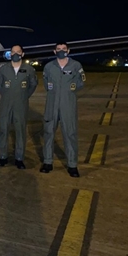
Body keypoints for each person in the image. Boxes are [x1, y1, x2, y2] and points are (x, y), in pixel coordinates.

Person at [40, 42, 85, 178]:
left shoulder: (76, 66)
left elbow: (81, 82)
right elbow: (46, 83)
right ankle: (48, 162)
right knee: (48, 133)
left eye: (63, 49)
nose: (61, 51)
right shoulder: (49, 67)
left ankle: (72, 165)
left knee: (70, 133)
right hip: (51, 104)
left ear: (68, 51)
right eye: (58, 49)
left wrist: (68, 91)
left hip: (68, 105)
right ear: (54, 52)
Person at [0, 45, 38, 169]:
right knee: (3, 130)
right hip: (6, 103)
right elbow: (0, 86)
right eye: (13, 52)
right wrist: (8, 96)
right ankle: (2, 157)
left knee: (20, 131)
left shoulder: (29, 69)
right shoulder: (3, 69)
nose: (15, 54)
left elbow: (33, 85)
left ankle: (19, 158)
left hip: (21, 104)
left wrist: (24, 96)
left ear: (22, 54)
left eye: (18, 52)